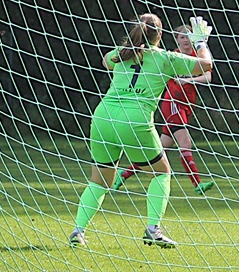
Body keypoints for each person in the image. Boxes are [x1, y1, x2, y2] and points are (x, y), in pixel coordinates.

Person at [69, 13, 213, 249]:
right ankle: (153, 229)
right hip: (134, 120)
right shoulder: (166, 59)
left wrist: (129, 47)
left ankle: (78, 230)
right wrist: (200, 43)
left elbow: (106, 61)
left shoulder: (121, 53)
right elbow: (206, 66)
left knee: (99, 182)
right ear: (161, 35)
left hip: (103, 116)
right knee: (162, 172)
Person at [113, 24, 215, 195]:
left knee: (159, 151)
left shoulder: (195, 57)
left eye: (189, 36)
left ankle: (124, 174)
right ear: (176, 39)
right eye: (182, 36)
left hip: (186, 105)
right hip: (172, 103)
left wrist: (189, 80)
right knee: (185, 143)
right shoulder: (171, 57)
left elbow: (209, 76)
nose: (186, 40)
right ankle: (197, 184)